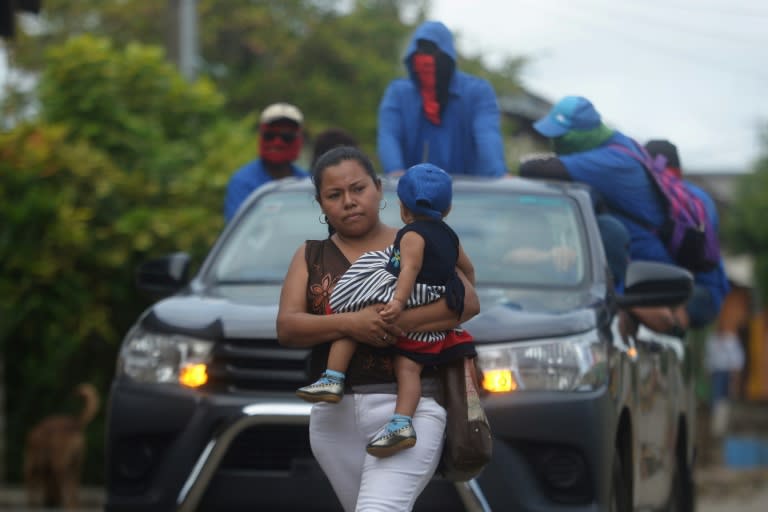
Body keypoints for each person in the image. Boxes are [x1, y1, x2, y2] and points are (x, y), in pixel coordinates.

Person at [276, 146, 479, 511]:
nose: (349, 202)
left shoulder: (422, 239)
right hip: (333, 420)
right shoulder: (309, 255)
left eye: (358, 189)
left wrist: (393, 323)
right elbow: (288, 328)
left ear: (379, 188)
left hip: (411, 409)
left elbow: (467, 303)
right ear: (320, 203)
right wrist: (352, 323)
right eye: (334, 195)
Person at [519, 96, 727, 332]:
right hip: (656, 275)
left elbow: (532, 168)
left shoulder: (614, 162)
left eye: (561, 137)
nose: (556, 143)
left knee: (649, 319)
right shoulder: (624, 151)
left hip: (673, 283)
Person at [377, 20, 507, 177]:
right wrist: (395, 171)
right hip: (413, 193)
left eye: (432, 50)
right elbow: (389, 135)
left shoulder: (478, 92)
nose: (426, 60)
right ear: (412, 57)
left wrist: (497, 174)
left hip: (469, 193)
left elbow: (487, 135)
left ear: (448, 56)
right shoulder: (398, 93)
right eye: (421, 51)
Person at [224, 102, 309, 222]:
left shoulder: (306, 182)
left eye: (287, 137)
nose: (278, 143)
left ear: (299, 140)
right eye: (270, 135)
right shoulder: (243, 182)